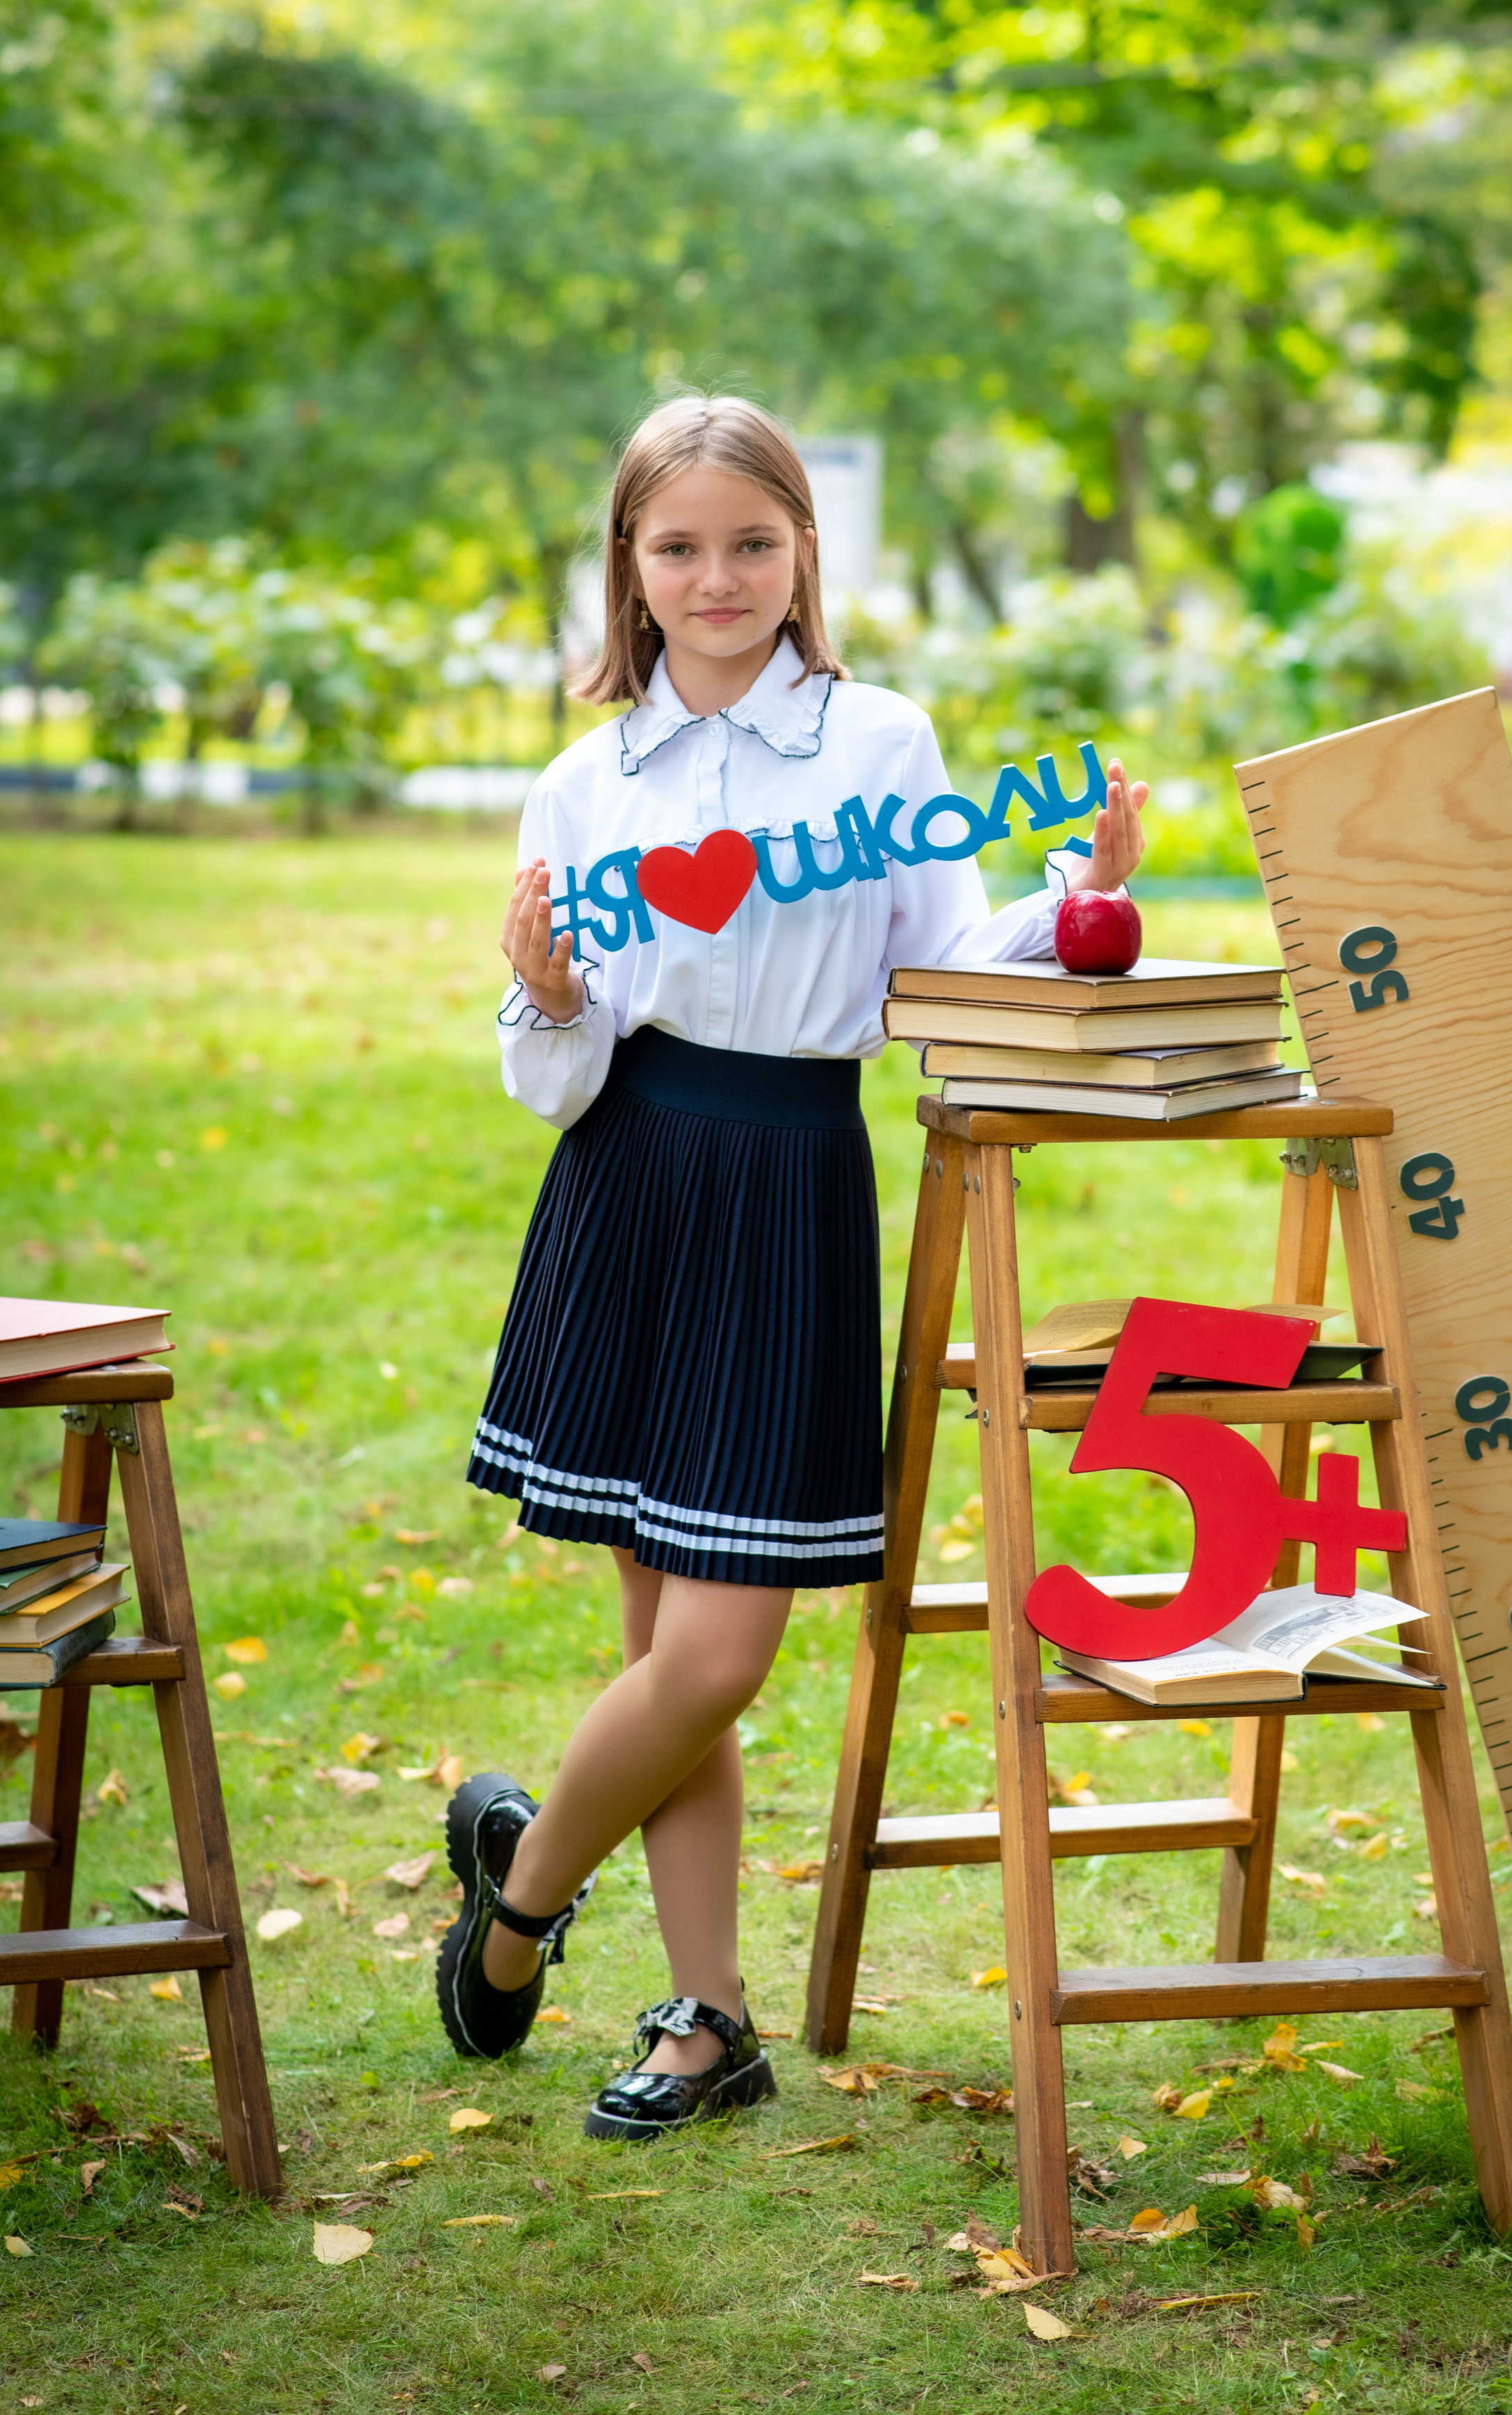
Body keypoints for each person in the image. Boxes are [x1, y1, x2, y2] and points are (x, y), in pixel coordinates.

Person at [436, 394, 1147, 2139]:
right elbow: (555, 1064)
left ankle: (518, 1892)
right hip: (629, 1180)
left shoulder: (879, 744)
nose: (716, 578)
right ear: (629, 564)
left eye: (751, 543)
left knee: (713, 1655)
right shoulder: (586, 779)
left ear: (803, 552)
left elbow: (939, 972)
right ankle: (711, 2021)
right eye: (677, 547)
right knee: (662, 1640)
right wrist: (544, 992)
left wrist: (1077, 900)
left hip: (791, 1181)